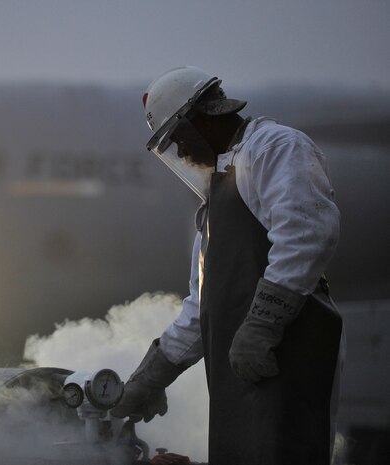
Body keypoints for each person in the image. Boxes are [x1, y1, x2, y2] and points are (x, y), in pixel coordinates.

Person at [111, 66, 344, 465]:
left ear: (204, 117)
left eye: (179, 140)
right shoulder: (215, 202)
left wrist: (263, 325)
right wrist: (152, 375)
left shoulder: (273, 147)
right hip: (241, 372)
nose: (182, 154)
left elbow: (305, 235)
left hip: (285, 357)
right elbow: (201, 308)